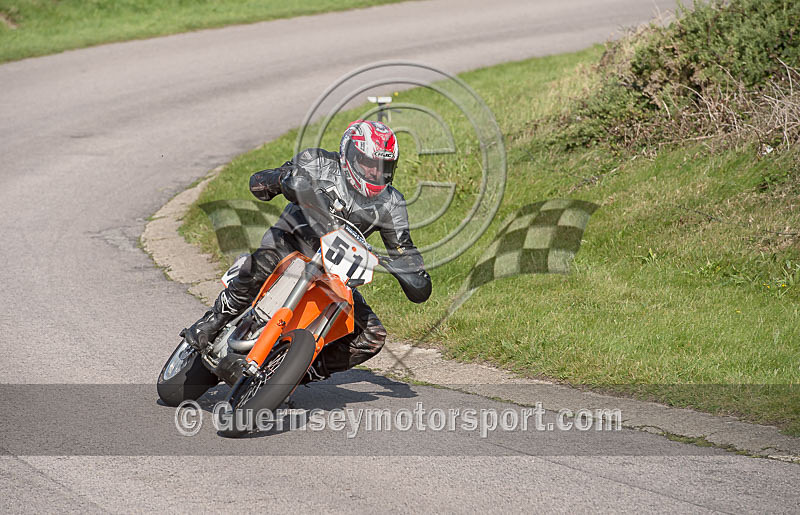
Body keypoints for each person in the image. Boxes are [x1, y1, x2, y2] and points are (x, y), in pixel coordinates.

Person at [182, 120, 432, 382]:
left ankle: (299, 372)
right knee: (261, 265)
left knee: (372, 336)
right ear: (349, 153)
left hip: (333, 274)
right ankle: (215, 319)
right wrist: (284, 180)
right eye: (367, 162)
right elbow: (257, 183)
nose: (373, 171)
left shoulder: (392, 203)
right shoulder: (318, 162)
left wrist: (413, 273)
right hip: (290, 243)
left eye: (382, 166)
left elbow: (405, 250)